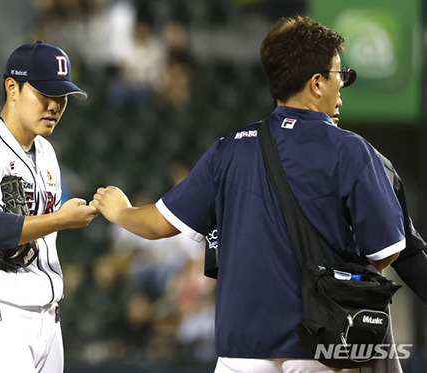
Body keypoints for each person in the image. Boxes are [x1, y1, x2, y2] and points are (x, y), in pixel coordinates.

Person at [91, 16, 406, 373]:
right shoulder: (351, 150)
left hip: (241, 349)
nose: (343, 86)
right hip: (320, 345)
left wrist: (119, 212)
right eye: (340, 75)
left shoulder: (229, 150)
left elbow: (159, 224)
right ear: (317, 84)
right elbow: (387, 250)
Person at [0, 41, 99, 372]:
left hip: (47, 317)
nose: (55, 105)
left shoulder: (47, 153)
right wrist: (59, 220)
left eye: (62, 96)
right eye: (45, 94)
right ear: (13, 87)